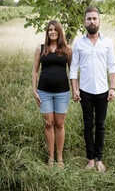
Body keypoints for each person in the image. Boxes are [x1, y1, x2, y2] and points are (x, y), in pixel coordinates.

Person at [69, 7, 115, 172]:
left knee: (101, 125)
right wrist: (75, 90)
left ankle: (99, 159)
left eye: (94, 19)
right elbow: (73, 68)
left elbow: (112, 66)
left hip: (104, 91)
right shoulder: (79, 43)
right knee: (88, 125)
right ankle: (90, 159)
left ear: (99, 21)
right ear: (84, 22)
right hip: (85, 92)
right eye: (88, 19)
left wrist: (112, 88)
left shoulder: (108, 42)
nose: (91, 21)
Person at [32, 20, 72, 168]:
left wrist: (76, 89)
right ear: (47, 32)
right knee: (48, 124)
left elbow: (72, 72)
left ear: (59, 31)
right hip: (44, 92)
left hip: (62, 92)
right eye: (50, 30)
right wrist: (34, 91)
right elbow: (35, 71)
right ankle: (51, 158)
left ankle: (60, 157)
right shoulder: (40, 49)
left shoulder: (67, 50)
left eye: (55, 29)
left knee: (59, 124)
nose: (52, 32)